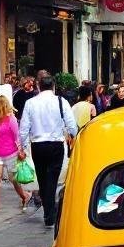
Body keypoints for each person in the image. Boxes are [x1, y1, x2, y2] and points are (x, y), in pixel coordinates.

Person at [18, 75, 78, 228]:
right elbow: (71, 124)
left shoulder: (31, 103)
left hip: (38, 145)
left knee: (43, 178)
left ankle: (48, 210)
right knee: (52, 178)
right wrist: (75, 135)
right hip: (55, 144)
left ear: (38, 86)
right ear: (53, 87)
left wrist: (23, 147)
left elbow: (24, 127)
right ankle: (49, 213)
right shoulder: (61, 101)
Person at [0, 94, 29, 213]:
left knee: (13, 178)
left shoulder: (11, 119)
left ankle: (24, 195)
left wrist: (20, 150)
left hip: (11, 152)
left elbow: (17, 136)